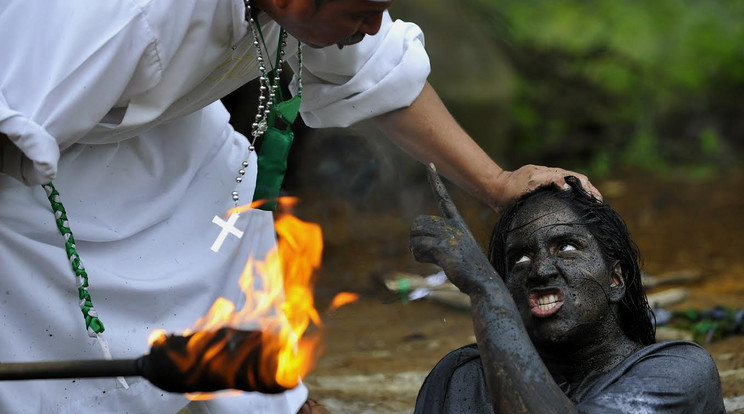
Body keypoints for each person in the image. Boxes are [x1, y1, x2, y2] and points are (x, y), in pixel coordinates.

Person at [0, 1, 599, 413]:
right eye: (360, 12)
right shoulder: (116, 17)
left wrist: (495, 183)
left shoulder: (322, 8)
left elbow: (379, 71)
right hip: (29, 176)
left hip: (167, 143)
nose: (370, 26)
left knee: (227, 196)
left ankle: (267, 398)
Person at [409, 166, 725, 413]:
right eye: (519, 258)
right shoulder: (464, 377)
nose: (540, 269)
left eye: (567, 247)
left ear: (616, 279)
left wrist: (486, 291)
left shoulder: (678, 372)